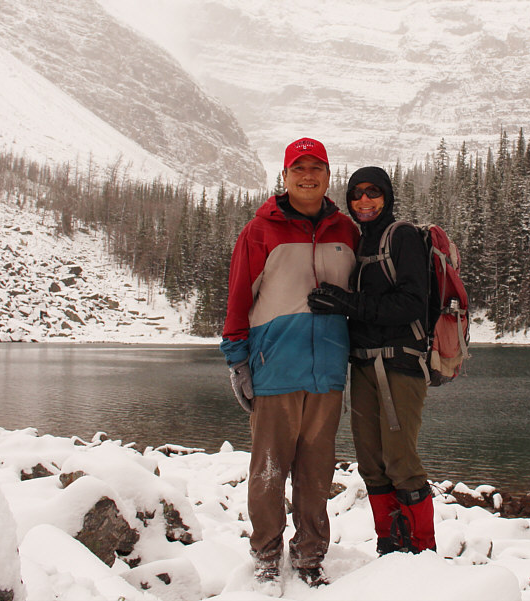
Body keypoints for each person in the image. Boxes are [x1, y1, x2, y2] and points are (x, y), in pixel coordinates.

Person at [220, 137, 359, 590]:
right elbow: (239, 299)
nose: (307, 175)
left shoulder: (347, 232)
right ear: (284, 177)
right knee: (267, 472)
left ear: (327, 176)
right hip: (275, 367)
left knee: (317, 475)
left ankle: (310, 555)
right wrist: (238, 362)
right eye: (298, 167)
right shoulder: (260, 231)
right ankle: (265, 556)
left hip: (328, 374)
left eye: (316, 166)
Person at [306, 166, 437, 555]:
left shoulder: (404, 237)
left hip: (399, 364)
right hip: (363, 364)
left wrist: (349, 304)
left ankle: (423, 552)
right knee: (371, 464)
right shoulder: (359, 242)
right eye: (357, 193)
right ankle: (389, 546)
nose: (364, 200)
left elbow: (412, 303)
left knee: (400, 461)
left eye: (373, 192)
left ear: (387, 196)